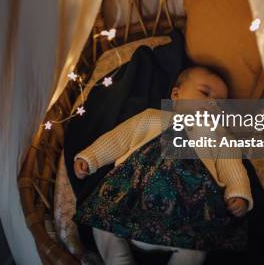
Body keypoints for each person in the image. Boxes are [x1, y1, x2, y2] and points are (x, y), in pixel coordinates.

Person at [73, 66, 252, 265]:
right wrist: (91, 157)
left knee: (198, 246)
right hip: (128, 204)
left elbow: (232, 166)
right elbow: (119, 138)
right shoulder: (152, 117)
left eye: (219, 103)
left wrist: (239, 193)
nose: (212, 103)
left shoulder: (218, 134)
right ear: (176, 94)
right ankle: (119, 261)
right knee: (100, 216)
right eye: (204, 93)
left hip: (185, 219)